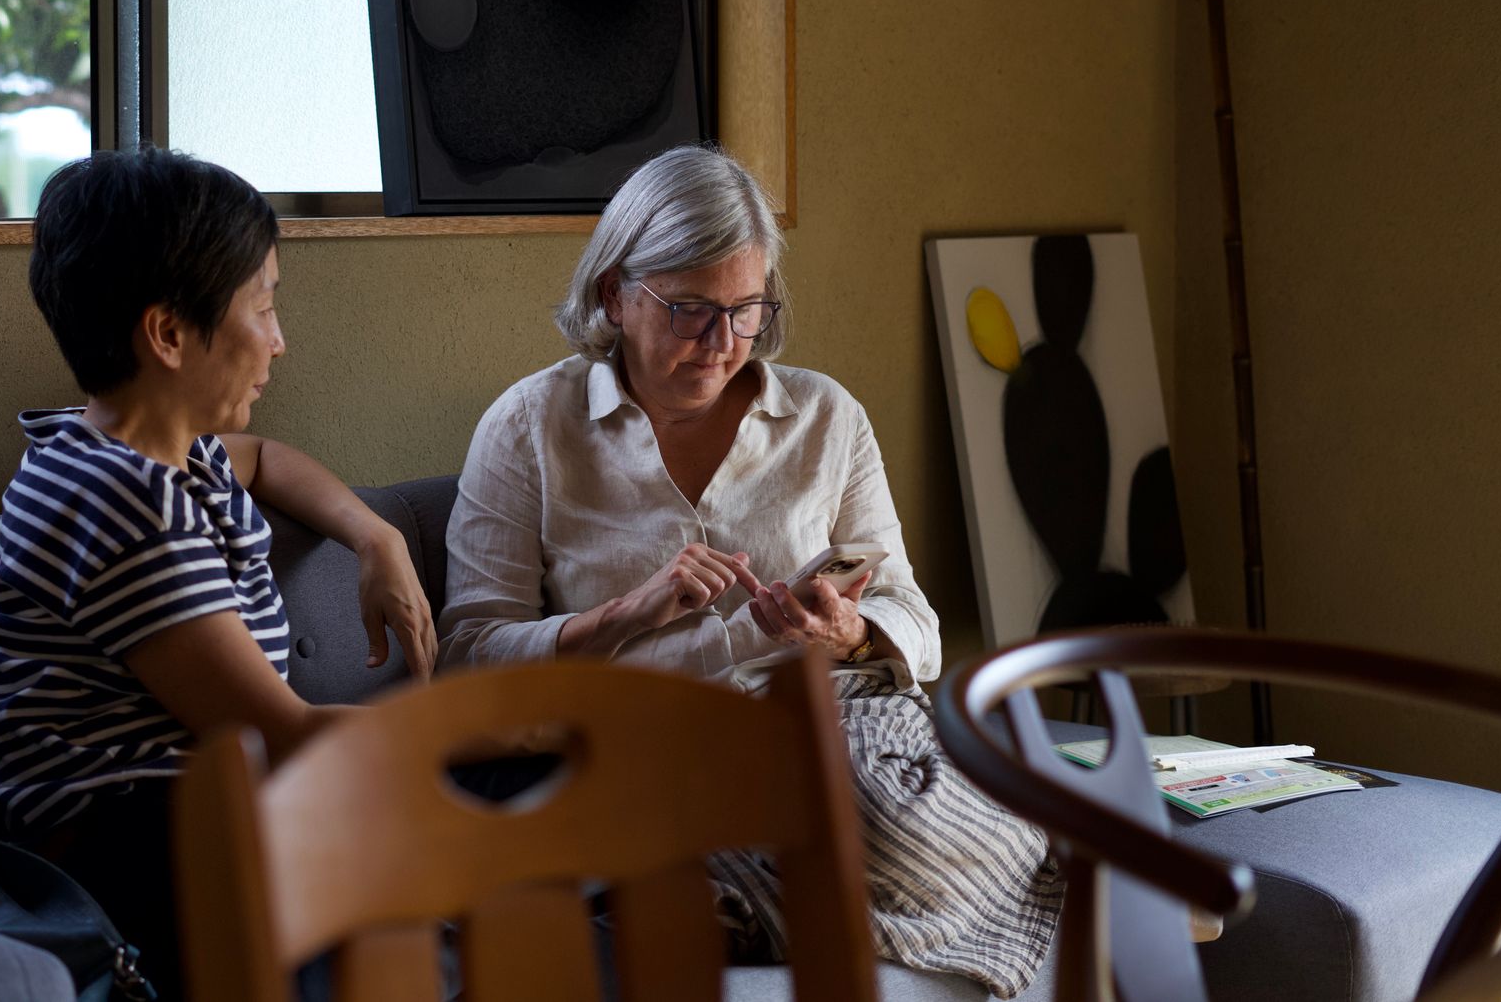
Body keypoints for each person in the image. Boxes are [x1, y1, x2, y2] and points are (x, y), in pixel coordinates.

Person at [438, 144, 1061, 998]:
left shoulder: (826, 417)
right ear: (615, 293)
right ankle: (740, 888)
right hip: (652, 751)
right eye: (691, 308)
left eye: (747, 309)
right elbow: (464, 660)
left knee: (904, 799)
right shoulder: (528, 428)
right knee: (848, 820)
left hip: (841, 731)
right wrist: (623, 615)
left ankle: (738, 896)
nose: (721, 342)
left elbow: (915, 618)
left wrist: (851, 630)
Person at [0, 147, 436, 997]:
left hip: (211, 823)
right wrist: (492, 729)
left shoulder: (150, 448)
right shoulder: (118, 500)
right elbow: (280, 734)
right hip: (127, 860)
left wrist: (378, 538)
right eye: (263, 306)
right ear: (169, 333)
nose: (280, 341)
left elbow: (263, 458)